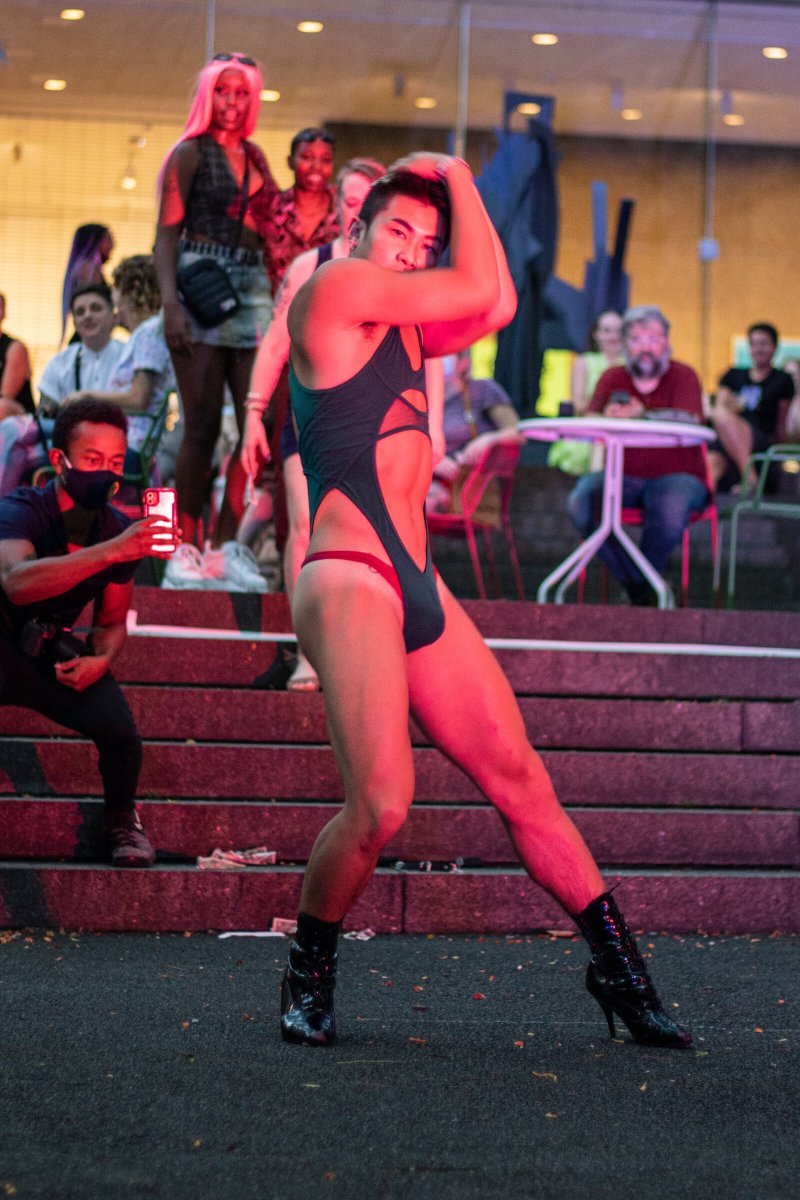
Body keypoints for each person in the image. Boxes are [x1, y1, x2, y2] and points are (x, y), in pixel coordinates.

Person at [278, 156, 691, 1050]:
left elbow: (497, 303)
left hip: (418, 581)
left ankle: (620, 972)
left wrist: (456, 193)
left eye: (423, 243)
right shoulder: (335, 289)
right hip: (348, 572)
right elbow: (475, 282)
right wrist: (463, 176)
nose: (409, 253)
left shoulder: (411, 327)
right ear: (355, 232)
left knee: (523, 781)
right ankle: (308, 967)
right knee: (384, 804)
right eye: (396, 232)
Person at [0, 399, 177, 865]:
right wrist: (111, 551)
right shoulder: (24, 508)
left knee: (120, 733)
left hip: (46, 647)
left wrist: (101, 659)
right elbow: (17, 583)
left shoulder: (117, 529)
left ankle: (122, 821)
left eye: (116, 463)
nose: (106, 473)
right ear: (60, 461)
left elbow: (113, 621)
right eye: (93, 461)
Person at [241, 157, 385, 688]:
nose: (355, 212)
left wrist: (433, 426)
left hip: (373, 419)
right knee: (304, 530)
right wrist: (254, 413)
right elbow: (275, 341)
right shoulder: (310, 264)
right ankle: (309, 652)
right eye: (348, 202)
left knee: (370, 537)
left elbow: (428, 354)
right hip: (310, 416)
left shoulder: (401, 272)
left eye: (366, 204)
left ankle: (363, 649)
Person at [154, 52, 278, 591]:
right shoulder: (188, 153)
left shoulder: (256, 157)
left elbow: (276, 225)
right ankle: (174, 547)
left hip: (252, 289)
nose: (232, 101)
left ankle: (226, 546)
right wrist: (170, 305)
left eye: (242, 93)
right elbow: (165, 237)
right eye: (223, 91)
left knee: (258, 424)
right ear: (209, 94)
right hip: (199, 284)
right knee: (199, 425)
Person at [567, 304, 709, 605]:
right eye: (636, 338)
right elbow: (589, 419)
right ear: (624, 344)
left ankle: (639, 587)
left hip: (680, 477)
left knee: (670, 504)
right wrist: (608, 417)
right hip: (623, 475)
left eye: (653, 338)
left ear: (667, 342)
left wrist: (643, 415)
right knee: (582, 501)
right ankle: (644, 588)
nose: (645, 347)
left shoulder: (684, 375)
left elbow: (691, 420)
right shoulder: (612, 376)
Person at [0, 283, 125, 496]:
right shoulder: (62, 361)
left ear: (113, 315)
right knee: (18, 451)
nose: (87, 316)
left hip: (113, 440)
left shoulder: (128, 357)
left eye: (96, 308)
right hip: (67, 439)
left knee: (11, 427)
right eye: (80, 311)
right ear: (74, 321)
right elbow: (46, 412)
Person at [64, 255, 175, 475]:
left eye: (115, 287)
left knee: (22, 438)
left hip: (129, 444)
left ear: (128, 291)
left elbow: (139, 398)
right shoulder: (143, 333)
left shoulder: (148, 334)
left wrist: (86, 397)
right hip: (120, 438)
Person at [426, 348, 520, 515]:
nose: (438, 361)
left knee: (426, 503)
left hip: (467, 485)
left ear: (464, 362)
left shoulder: (482, 390)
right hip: (426, 480)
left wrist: (487, 440)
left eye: (445, 355)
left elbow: (518, 433)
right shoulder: (421, 397)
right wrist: (432, 462)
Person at [709, 322, 795, 491]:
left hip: (759, 439)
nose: (758, 349)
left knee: (723, 416)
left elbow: (781, 422)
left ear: (774, 347)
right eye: (754, 344)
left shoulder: (782, 379)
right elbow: (720, 408)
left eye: (763, 343)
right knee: (711, 460)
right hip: (726, 439)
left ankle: (750, 478)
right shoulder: (733, 374)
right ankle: (705, 509)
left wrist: (779, 457)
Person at [548, 310, 624, 476]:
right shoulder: (584, 362)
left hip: (623, 432)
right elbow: (578, 406)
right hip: (591, 432)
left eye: (619, 331)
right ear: (596, 334)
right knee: (600, 445)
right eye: (607, 330)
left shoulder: (632, 365)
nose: (613, 336)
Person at [61, 223, 114, 343]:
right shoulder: (90, 269)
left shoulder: (81, 267)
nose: (113, 246)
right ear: (95, 241)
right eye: (109, 240)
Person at [0, 292, 34, 418]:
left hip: (20, 421)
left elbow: (6, 396)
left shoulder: (15, 348)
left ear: (3, 313)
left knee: (1, 406)